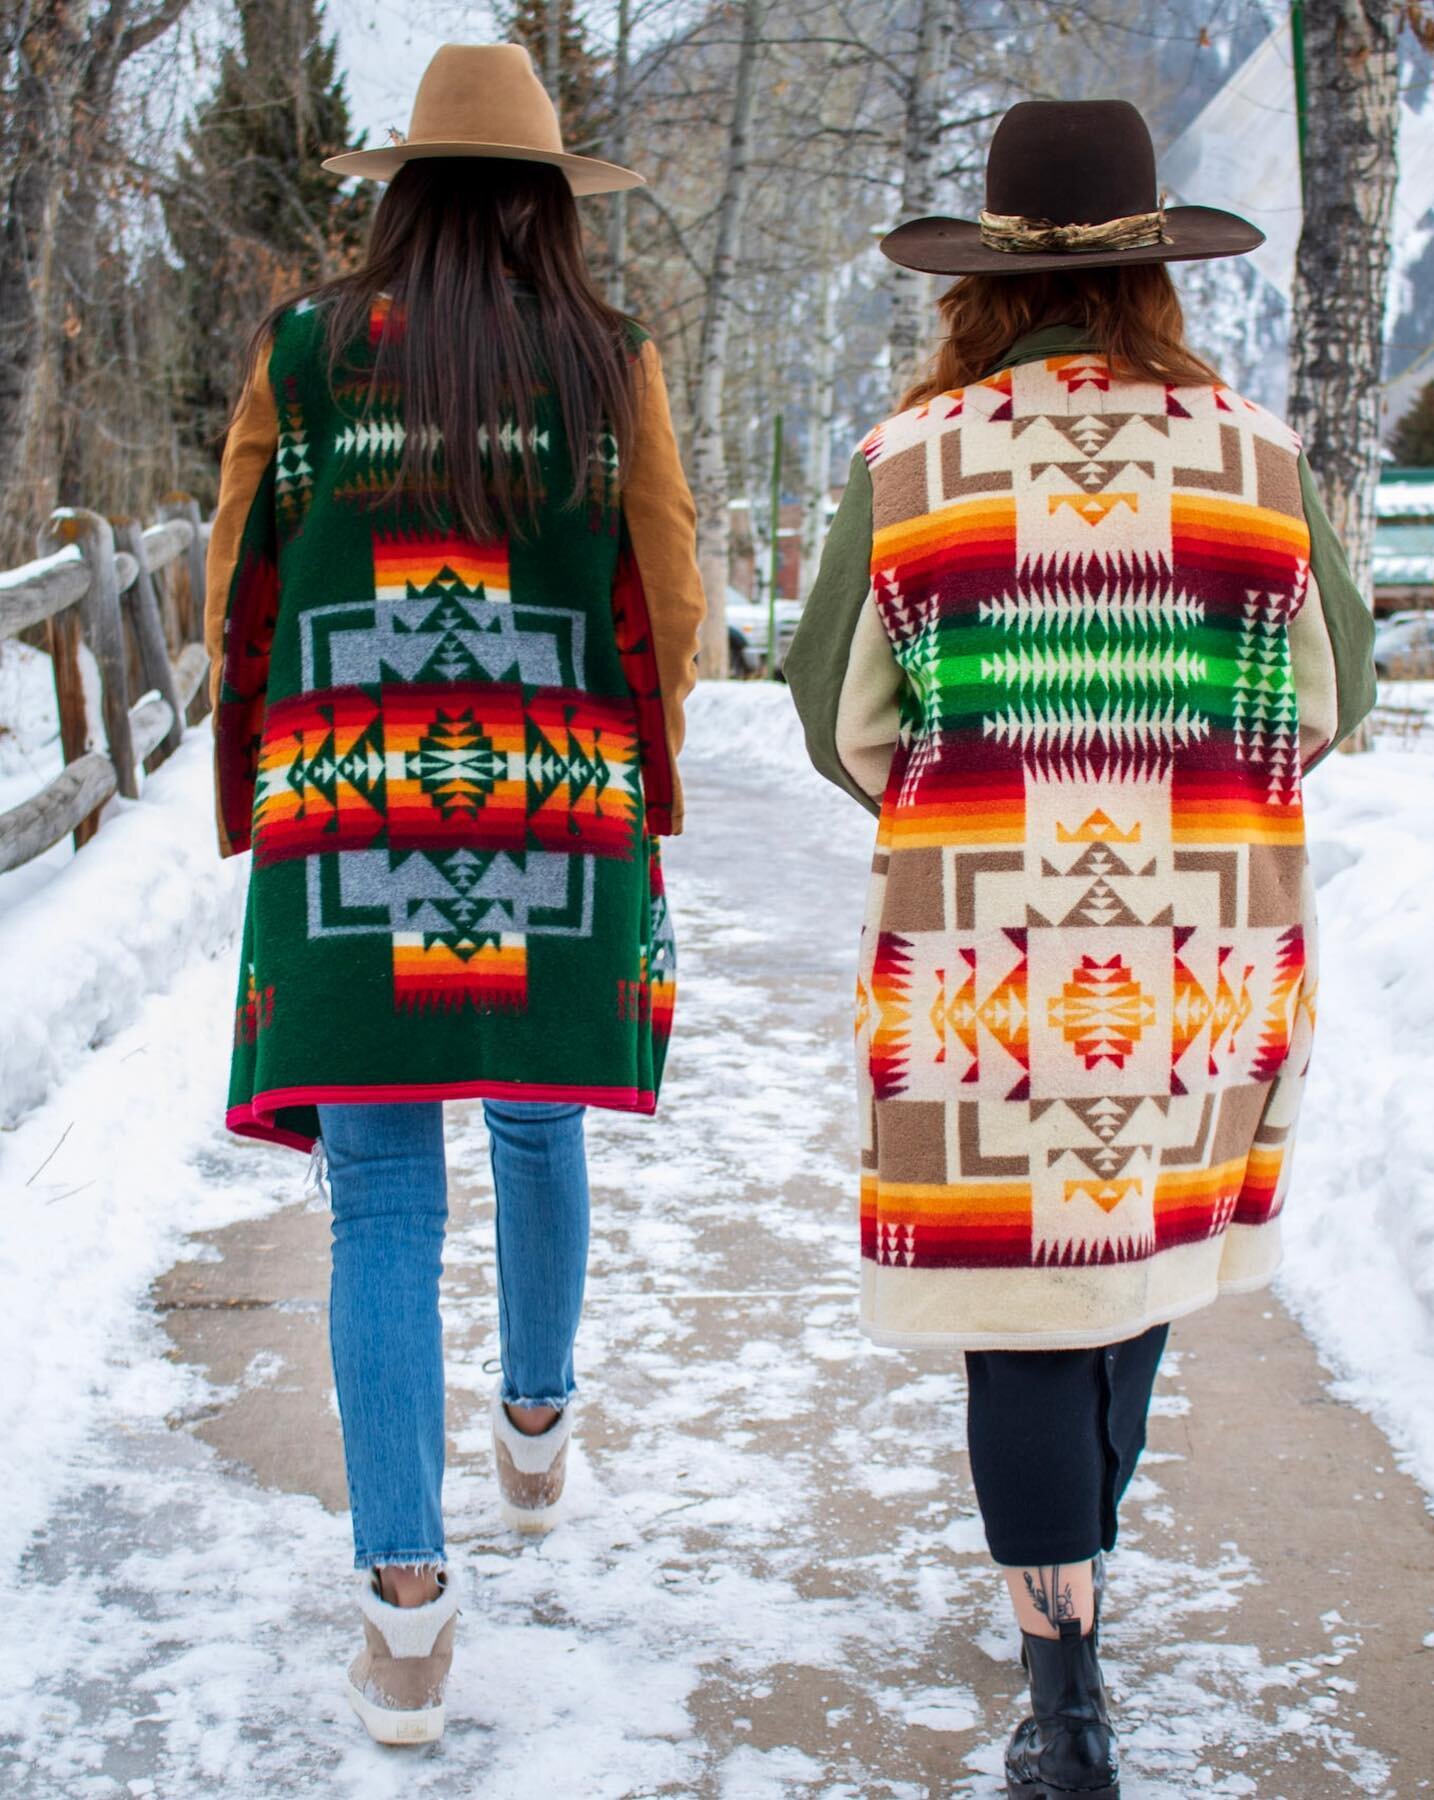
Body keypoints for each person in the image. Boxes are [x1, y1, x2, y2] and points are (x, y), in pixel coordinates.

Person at [787, 99, 1374, 1800]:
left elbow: (844, 718)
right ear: (1154, 277)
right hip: (1205, 934)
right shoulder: (1258, 456)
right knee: (1132, 1242)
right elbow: (1331, 692)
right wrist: (1193, 778)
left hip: (989, 936)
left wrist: (977, 790)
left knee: (1025, 1290)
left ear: (982, 285)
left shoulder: (914, 464)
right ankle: (1077, 1581)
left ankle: (1064, 1674)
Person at [203, 42, 705, 1746]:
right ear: (551, 207)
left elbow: (243, 574)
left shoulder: (307, 354)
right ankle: (539, 1422)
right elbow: (668, 585)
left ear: (400, 193)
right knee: (537, 1124)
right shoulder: (607, 358)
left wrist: (252, 772)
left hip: (348, 811)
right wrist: (648, 762)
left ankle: (405, 1615)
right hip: (550, 805)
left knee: (381, 1205)